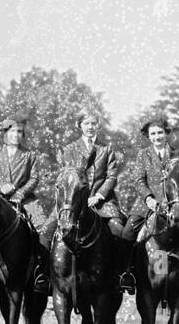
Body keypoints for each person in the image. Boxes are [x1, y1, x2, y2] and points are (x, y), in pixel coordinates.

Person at [119, 115, 179, 294]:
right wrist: (149, 199)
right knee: (127, 233)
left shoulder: (177, 155)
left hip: (174, 206)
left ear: (166, 133)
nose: (157, 137)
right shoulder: (143, 155)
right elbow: (138, 180)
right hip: (147, 205)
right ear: (148, 136)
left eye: (160, 132)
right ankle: (126, 273)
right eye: (153, 134)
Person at [0, 115, 49, 294]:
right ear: (5, 133)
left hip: (25, 199)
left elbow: (35, 178)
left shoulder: (30, 155)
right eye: (13, 132)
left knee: (44, 228)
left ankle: (42, 271)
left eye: (19, 132)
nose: (16, 135)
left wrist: (20, 193)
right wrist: (1, 186)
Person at [47, 108, 128, 268]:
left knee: (118, 230)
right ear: (80, 125)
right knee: (45, 231)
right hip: (73, 202)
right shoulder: (69, 149)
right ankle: (44, 274)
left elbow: (111, 177)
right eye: (86, 123)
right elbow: (66, 178)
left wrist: (98, 196)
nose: (90, 127)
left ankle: (121, 273)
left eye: (93, 123)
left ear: (98, 125)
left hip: (103, 203)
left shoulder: (107, 149)